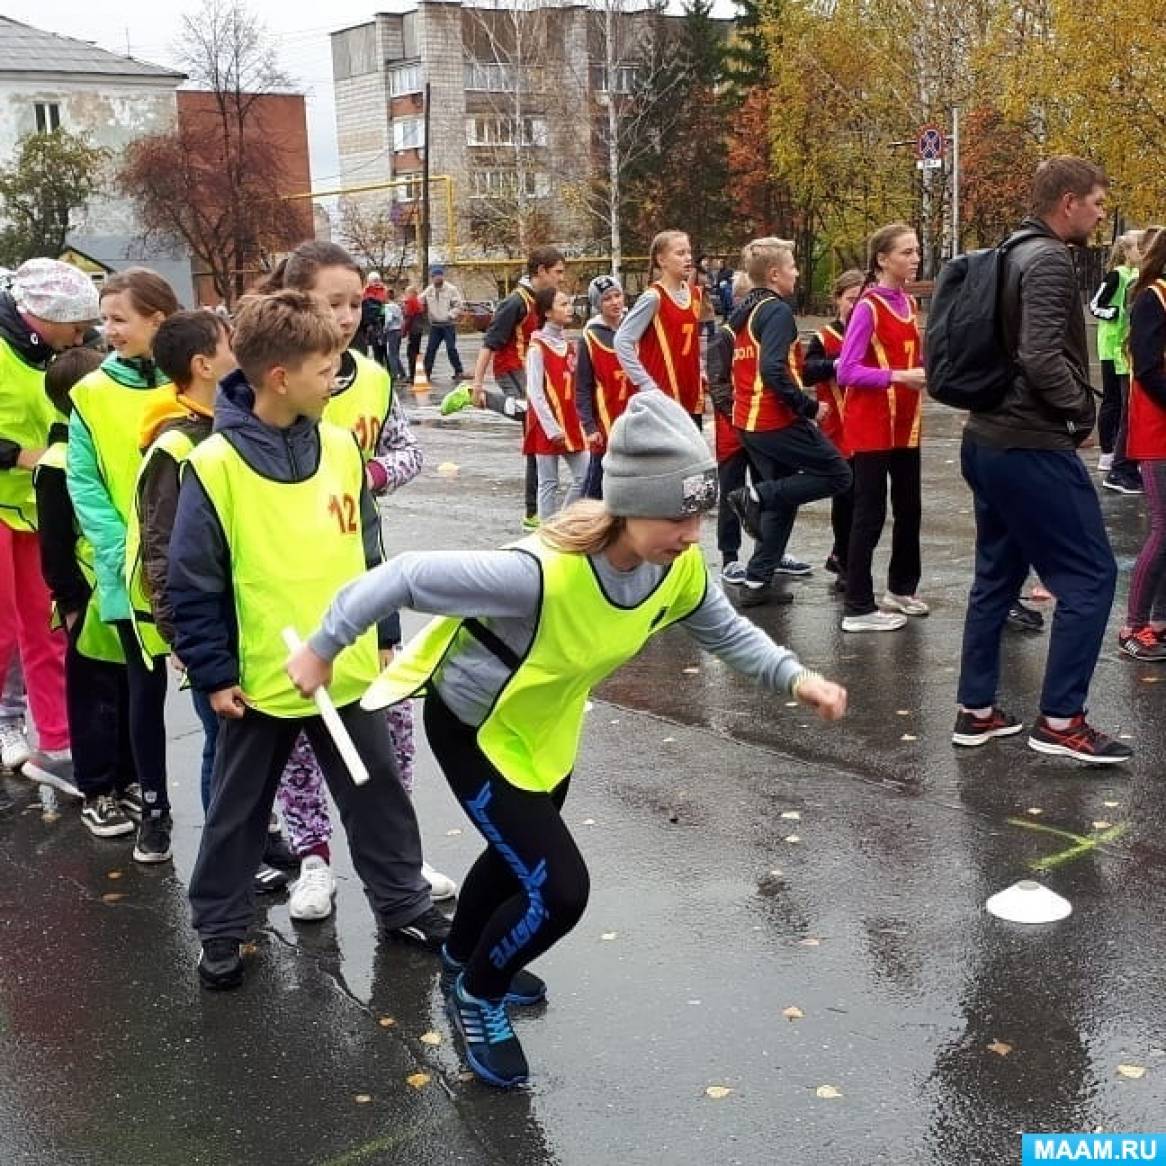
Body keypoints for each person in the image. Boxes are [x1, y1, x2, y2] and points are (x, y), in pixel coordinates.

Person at [287, 390, 848, 1089]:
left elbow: (726, 633)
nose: (691, 531)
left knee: (517, 855)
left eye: (698, 513)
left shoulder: (678, 569)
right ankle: (478, 994)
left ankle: (464, 957)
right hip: (477, 730)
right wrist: (321, 649)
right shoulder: (536, 574)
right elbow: (400, 577)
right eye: (677, 514)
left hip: (544, 728)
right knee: (560, 891)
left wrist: (797, 680)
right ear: (630, 504)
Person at [166, 289, 451, 990]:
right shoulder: (214, 465)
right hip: (263, 682)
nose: (338, 380)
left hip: (347, 669)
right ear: (279, 378)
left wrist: (384, 632)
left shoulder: (340, 446)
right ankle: (221, 931)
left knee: (377, 793)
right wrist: (213, 672)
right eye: (326, 371)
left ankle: (403, 904)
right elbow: (192, 581)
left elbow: (370, 548)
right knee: (238, 815)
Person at [255, 239, 454, 908]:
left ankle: (399, 857)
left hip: (365, 576)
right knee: (303, 738)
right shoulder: (266, 381)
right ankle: (313, 858)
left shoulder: (371, 376)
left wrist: (369, 474)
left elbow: (406, 452)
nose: (345, 318)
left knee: (385, 719)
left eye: (353, 303)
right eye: (330, 303)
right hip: (286, 588)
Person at [953, 155, 1131, 763]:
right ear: (1068, 203)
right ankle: (1060, 720)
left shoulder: (1010, 250)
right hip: (1030, 443)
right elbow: (1039, 354)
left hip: (987, 439)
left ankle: (976, 711)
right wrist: (1082, 414)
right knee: (1091, 576)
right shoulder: (1051, 258)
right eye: (1098, 203)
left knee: (996, 576)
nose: (1101, 213)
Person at [68, 267, 179, 861]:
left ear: (157, 320)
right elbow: (85, 483)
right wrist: (118, 551)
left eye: (119, 319)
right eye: (103, 319)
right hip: (129, 572)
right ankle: (153, 806)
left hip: (193, 567)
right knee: (143, 690)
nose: (107, 330)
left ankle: (249, 825)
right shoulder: (91, 393)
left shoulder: (193, 381)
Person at [1, 259, 100, 795]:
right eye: (77, 325)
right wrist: (22, 456)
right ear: (41, 315)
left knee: (47, 628)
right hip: (1, 501)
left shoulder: (58, 354)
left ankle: (59, 747)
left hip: (40, 509)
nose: (84, 335)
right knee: (2, 634)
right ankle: (5, 721)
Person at [35, 346, 140, 833]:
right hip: (90, 601)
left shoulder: (105, 450)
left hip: (123, 596)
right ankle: (99, 789)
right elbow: (54, 546)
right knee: (94, 699)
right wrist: (71, 602)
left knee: (129, 693)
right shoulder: (57, 464)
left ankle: (129, 779)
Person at [724, 238, 852, 609]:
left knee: (785, 498)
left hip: (749, 421)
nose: (797, 272)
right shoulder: (776, 312)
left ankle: (757, 580)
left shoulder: (746, 311)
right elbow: (773, 370)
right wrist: (807, 408)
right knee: (839, 475)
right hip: (772, 418)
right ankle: (754, 496)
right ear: (775, 274)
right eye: (793, 266)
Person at [834, 224, 927, 633]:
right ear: (882, 259)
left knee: (910, 508)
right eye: (906, 252)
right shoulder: (868, 306)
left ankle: (901, 588)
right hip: (872, 422)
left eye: (916, 251)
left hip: (907, 422)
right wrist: (899, 377)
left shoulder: (908, 302)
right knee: (868, 513)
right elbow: (849, 371)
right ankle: (857, 605)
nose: (914, 258)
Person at [465, 247, 567, 528]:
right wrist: (476, 383)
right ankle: (482, 397)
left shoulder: (542, 301)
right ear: (541, 271)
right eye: (557, 272)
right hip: (511, 371)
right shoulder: (515, 303)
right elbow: (489, 343)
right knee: (533, 416)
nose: (561, 278)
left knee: (538, 439)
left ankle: (533, 513)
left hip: (531, 372)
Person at [1116, 226, 1166, 662]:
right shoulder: (1153, 297)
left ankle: (1160, 621)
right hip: (1156, 430)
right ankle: (1133, 625)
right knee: (1162, 529)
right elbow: (1148, 369)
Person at [799, 269, 864, 587]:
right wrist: (835, 365)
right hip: (837, 428)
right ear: (838, 300)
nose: (856, 305)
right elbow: (806, 373)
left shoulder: (869, 332)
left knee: (864, 498)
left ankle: (844, 556)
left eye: (861, 299)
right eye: (851, 299)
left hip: (867, 425)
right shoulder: (825, 337)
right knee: (846, 495)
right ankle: (843, 558)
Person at [614, 230, 705, 428]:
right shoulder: (653, 298)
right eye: (680, 253)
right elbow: (622, 341)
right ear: (662, 260)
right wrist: (645, 383)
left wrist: (700, 369)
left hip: (690, 393)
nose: (688, 258)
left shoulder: (694, 294)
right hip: (663, 398)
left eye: (689, 252)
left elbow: (688, 342)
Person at [524, 287, 591, 520]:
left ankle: (560, 522)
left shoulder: (569, 346)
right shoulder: (537, 348)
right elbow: (535, 391)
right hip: (547, 425)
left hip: (571, 421)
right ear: (547, 312)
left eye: (568, 303)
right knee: (548, 483)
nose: (569, 308)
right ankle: (545, 534)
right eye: (562, 304)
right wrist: (552, 428)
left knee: (585, 475)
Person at [1090, 233, 1142, 492]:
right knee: (1112, 400)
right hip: (1111, 346)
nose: (1142, 252)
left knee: (1121, 402)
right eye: (1137, 248)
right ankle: (1107, 451)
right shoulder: (1117, 275)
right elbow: (1095, 305)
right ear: (1126, 252)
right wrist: (1115, 313)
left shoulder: (1135, 275)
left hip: (1124, 346)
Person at [575, 274, 628, 500]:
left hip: (635, 419)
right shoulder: (590, 338)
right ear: (598, 304)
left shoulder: (636, 329)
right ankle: (587, 530)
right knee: (597, 488)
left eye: (617, 295)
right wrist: (589, 426)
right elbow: (583, 387)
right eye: (607, 298)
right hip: (606, 425)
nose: (615, 302)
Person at [420, 267, 465, 382]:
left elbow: (459, 305)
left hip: (448, 325)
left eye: (439, 276)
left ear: (442, 276)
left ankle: (458, 371)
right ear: (432, 278)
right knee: (430, 349)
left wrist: (450, 315)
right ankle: (426, 372)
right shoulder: (429, 290)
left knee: (451, 348)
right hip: (435, 326)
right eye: (434, 276)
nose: (437, 278)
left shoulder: (451, 289)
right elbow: (420, 301)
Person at [360, 272, 387, 367]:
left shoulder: (383, 290)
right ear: (369, 281)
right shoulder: (365, 291)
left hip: (380, 323)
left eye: (377, 280)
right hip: (368, 324)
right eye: (374, 281)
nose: (376, 283)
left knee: (381, 349)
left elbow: (383, 302)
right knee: (371, 349)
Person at [402, 284, 425, 383]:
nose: (405, 295)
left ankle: (412, 376)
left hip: (413, 330)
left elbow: (408, 317)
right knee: (415, 352)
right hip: (419, 330)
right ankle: (416, 374)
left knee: (410, 353)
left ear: (411, 293)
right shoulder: (418, 302)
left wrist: (404, 331)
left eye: (407, 293)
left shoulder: (411, 302)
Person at [383, 286, 406, 383]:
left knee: (391, 354)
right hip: (398, 331)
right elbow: (401, 319)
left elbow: (388, 318)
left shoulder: (387, 306)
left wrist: (385, 328)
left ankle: (394, 375)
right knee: (395, 354)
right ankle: (402, 373)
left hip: (392, 331)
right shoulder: (396, 306)